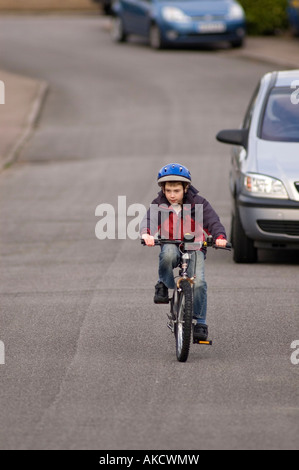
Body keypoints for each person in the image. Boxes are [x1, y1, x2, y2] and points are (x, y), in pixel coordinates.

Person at [140, 163, 228, 341]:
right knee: (168, 255)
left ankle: (200, 322)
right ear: (163, 189)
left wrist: (219, 236)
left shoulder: (198, 203)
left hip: (195, 245)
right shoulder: (159, 204)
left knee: (200, 282)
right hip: (170, 242)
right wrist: (146, 234)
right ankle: (163, 284)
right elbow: (149, 219)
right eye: (168, 190)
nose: (172, 195)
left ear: (186, 188)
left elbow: (213, 221)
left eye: (176, 190)